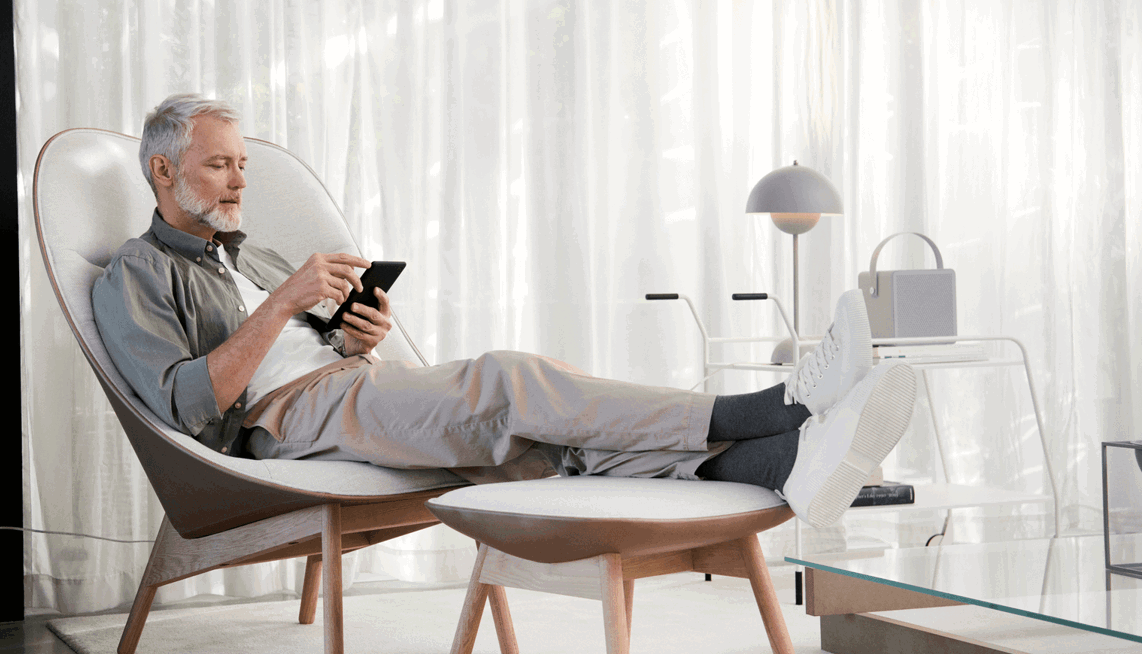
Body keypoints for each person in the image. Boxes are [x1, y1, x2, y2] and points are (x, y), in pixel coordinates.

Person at [92, 94, 917, 528]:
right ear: (163, 172)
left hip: (355, 388)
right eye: (220, 165)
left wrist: (350, 331)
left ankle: (783, 461)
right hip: (284, 423)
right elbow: (187, 405)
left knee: (556, 448)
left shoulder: (251, 255)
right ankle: (779, 404)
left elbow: (297, 341)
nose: (239, 181)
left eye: (242, 165)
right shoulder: (136, 272)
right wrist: (281, 306)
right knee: (510, 381)